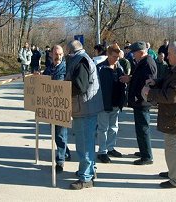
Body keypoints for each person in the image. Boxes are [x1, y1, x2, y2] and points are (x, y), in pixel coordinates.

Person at [141, 41, 176, 188]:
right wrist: (156, 82)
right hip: (173, 117)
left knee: (175, 149)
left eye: (169, 54)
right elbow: (167, 81)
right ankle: (173, 171)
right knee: (172, 148)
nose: (166, 57)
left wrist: (150, 93)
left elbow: (172, 95)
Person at [65, 40, 103, 190]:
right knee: (87, 142)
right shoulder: (83, 59)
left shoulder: (80, 62)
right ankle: (88, 171)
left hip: (84, 109)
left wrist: (63, 88)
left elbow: (80, 86)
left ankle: (85, 178)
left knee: (84, 144)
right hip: (86, 108)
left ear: (70, 51)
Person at [119, 41, 157, 165]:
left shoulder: (148, 63)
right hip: (139, 101)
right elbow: (139, 79)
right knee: (140, 128)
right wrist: (130, 79)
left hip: (142, 102)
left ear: (141, 52)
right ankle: (143, 150)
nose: (132, 55)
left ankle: (147, 156)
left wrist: (138, 96)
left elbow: (148, 83)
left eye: (134, 53)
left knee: (143, 128)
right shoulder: (142, 62)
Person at [43, 45, 71, 173]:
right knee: (55, 133)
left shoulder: (66, 68)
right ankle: (66, 152)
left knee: (60, 133)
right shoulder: (49, 68)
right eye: (56, 54)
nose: (58, 56)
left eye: (60, 54)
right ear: (51, 55)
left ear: (63, 54)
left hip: (62, 107)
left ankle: (60, 161)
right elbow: (43, 81)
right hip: (50, 107)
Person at [96, 44, 127, 163]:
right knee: (103, 128)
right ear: (108, 55)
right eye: (114, 56)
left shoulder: (119, 67)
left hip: (116, 102)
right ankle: (102, 151)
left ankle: (110, 147)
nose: (116, 59)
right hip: (104, 103)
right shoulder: (100, 68)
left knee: (114, 127)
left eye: (118, 57)